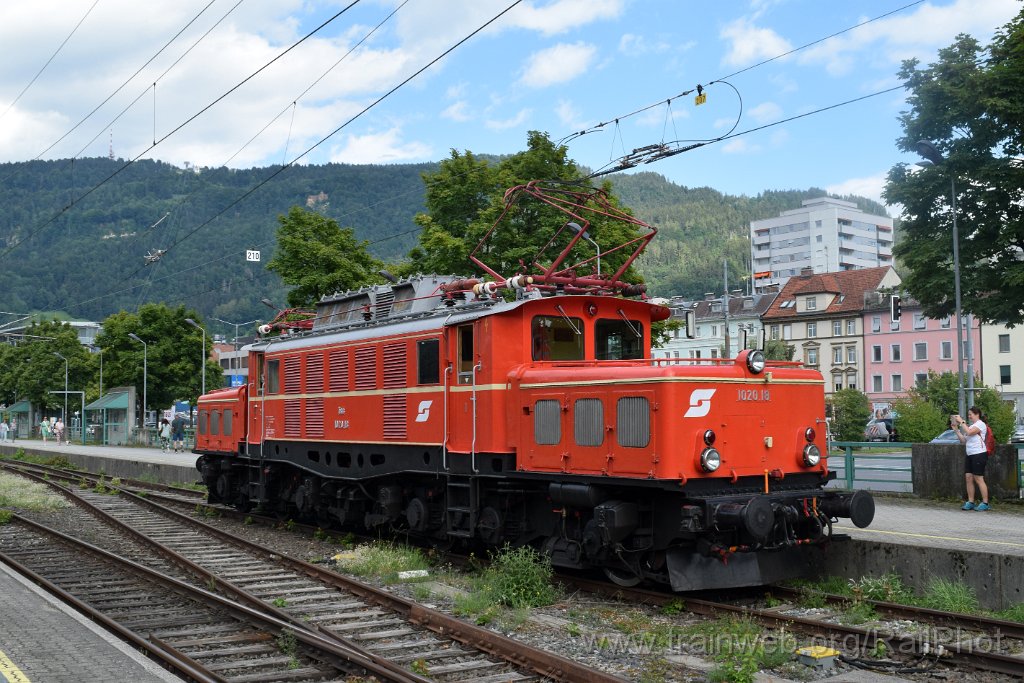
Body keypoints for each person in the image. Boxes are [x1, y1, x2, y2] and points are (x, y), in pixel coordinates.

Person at [954, 407, 990, 511]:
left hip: (979, 454)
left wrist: (961, 421)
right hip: (970, 454)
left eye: (971, 414)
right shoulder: (971, 426)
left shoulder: (980, 424)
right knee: (968, 478)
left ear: (977, 414)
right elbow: (963, 440)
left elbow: (969, 432)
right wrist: (956, 430)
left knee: (978, 478)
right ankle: (971, 502)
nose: (969, 416)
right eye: (968, 415)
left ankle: (985, 503)